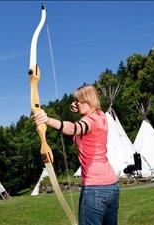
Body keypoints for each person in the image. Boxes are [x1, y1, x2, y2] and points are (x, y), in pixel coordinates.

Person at [32, 84, 120, 225]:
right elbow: (85, 112)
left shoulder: (89, 121)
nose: (77, 103)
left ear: (89, 100)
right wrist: (75, 106)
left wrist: (47, 120)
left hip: (94, 187)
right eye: (76, 100)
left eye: (80, 100)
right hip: (112, 186)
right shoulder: (101, 116)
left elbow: (74, 128)